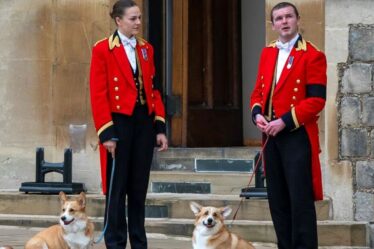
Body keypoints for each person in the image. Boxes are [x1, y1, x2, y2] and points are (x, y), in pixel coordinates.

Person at [89, 0, 168, 248]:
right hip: (118, 124)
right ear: (118, 20)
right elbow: (98, 93)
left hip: (143, 122)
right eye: (133, 18)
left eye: (139, 18)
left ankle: (139, 242)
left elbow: (154, 89)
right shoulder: (103, 49)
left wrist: (159, 127)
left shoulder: (146, 49)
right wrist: (106, 133)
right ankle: (114, 242)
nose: (138, 23)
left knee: (138, 187)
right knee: (116, 188)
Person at [250, 2, 327, 249]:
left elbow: (317, 100)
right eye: (279, 18)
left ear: (298, 19)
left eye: (288, 17)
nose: (284, 22)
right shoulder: (268, 52)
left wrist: (283, 121)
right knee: (278, 200)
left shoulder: (313, 54)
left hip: (296, 135)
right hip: (271, 137)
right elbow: (258, 92)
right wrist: (258, 115)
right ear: (273, 25)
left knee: (300, 200)